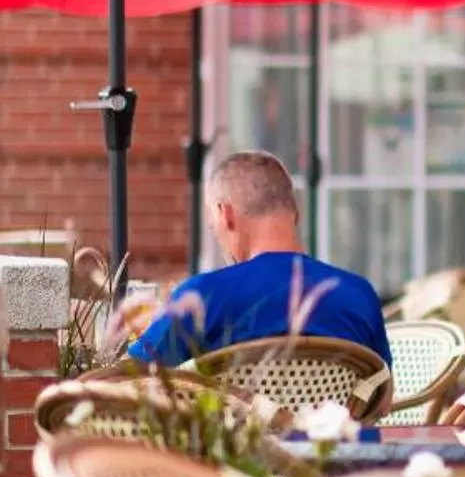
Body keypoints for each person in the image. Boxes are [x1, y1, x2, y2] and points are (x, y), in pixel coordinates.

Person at [125, 151, 393, 366]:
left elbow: (132, 377)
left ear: (224, 214)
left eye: (212, 225)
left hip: (230, 435)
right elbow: (381, 398)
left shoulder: (200, 297)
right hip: (330, 436)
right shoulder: (360, 294)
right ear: (296, 213)